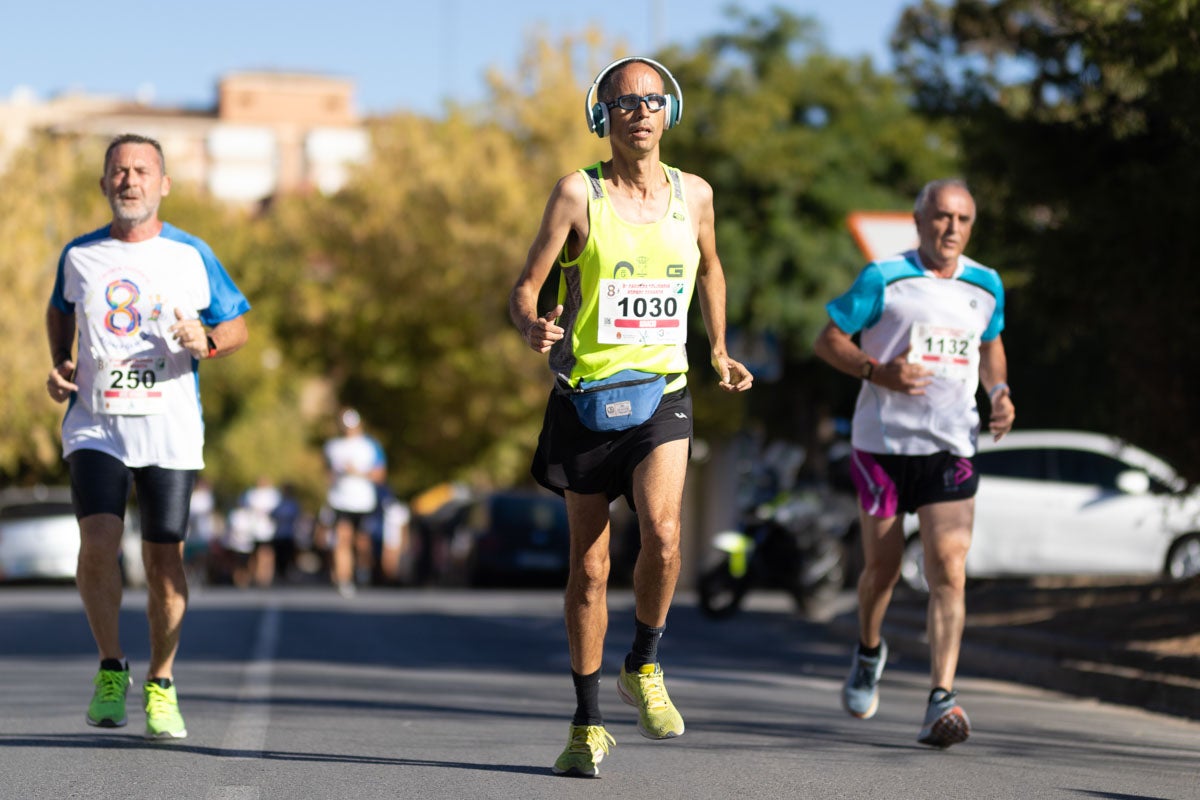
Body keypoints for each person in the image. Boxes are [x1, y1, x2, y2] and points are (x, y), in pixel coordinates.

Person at [508, 56, 753, 777]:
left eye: (653, 100)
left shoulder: (696, 195)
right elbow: (526, 287)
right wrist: (532, 325)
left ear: (669, 112)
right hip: (589, 396)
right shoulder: (576, 195)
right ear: (603, 116)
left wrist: (719, 348)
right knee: (589, 567)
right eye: (625, 102)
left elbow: (711, 268)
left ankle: (644, 663)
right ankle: (587, 723)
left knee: (667, 535)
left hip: (664, 388)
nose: (641, 111)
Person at [45, 133, 250, 739]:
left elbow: (237, 325)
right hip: (96, 425)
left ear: (163, 184)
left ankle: (161, 682)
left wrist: (206, 341)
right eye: (118, 170)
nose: (129, 180)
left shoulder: (191, 254)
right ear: (104, 183)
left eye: (142, 171)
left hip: (170, 429)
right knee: (98, 545)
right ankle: (112, 668)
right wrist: (61, 359)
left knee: (164, 561)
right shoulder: (80, 255)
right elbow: (60, 307)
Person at [812, 178, 1015, 749]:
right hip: (882, 448)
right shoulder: (884, 278)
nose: (952, 229)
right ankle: (870, 649)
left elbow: (992, 343)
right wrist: (879, 372)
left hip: (952, 445)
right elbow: (828, 340)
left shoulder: (986, 284)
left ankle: (940, 698)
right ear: (920, 220)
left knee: (948, 565)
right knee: (881, 567)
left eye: (963, 219)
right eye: (942, 217)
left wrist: (998, 393)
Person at [323, 407, 386, 597]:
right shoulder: (333, 446)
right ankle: (344, 579)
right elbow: (327, 472)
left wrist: (356, 472)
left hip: (364, 502)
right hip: (340, 501)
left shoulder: (370, 446)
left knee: (362, 542)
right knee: (343, 539)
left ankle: (363, 571)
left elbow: (380, 475)